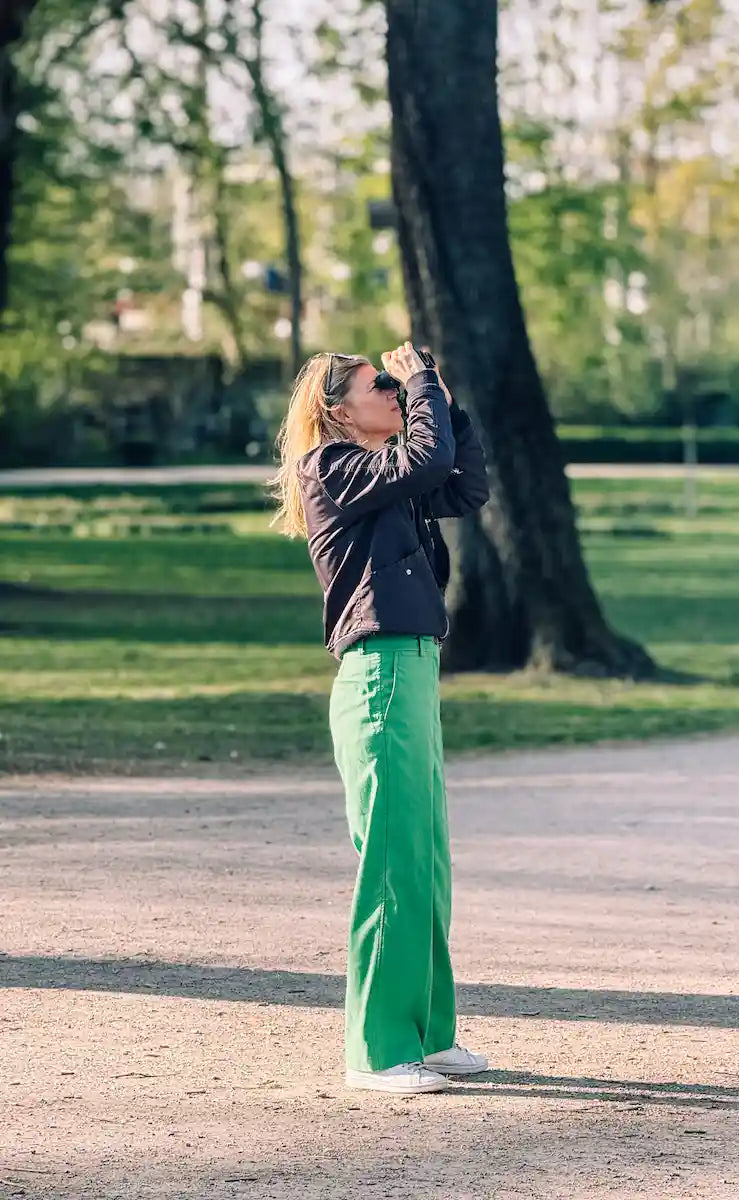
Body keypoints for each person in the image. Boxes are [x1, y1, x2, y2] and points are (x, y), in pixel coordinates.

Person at [270, 342, 491, 1096]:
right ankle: (376, 1048)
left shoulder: (384, 479)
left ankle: (427, 1034)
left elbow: (463, 487)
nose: (396, 393)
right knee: (392, 863)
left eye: (399, 385)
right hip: (380, 674)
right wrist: (425, 384)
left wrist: (447, 403)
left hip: (415, 669)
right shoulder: (331, 468)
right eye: (382, 385)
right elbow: (426, 465)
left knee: (425, 860)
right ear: (338, 408)